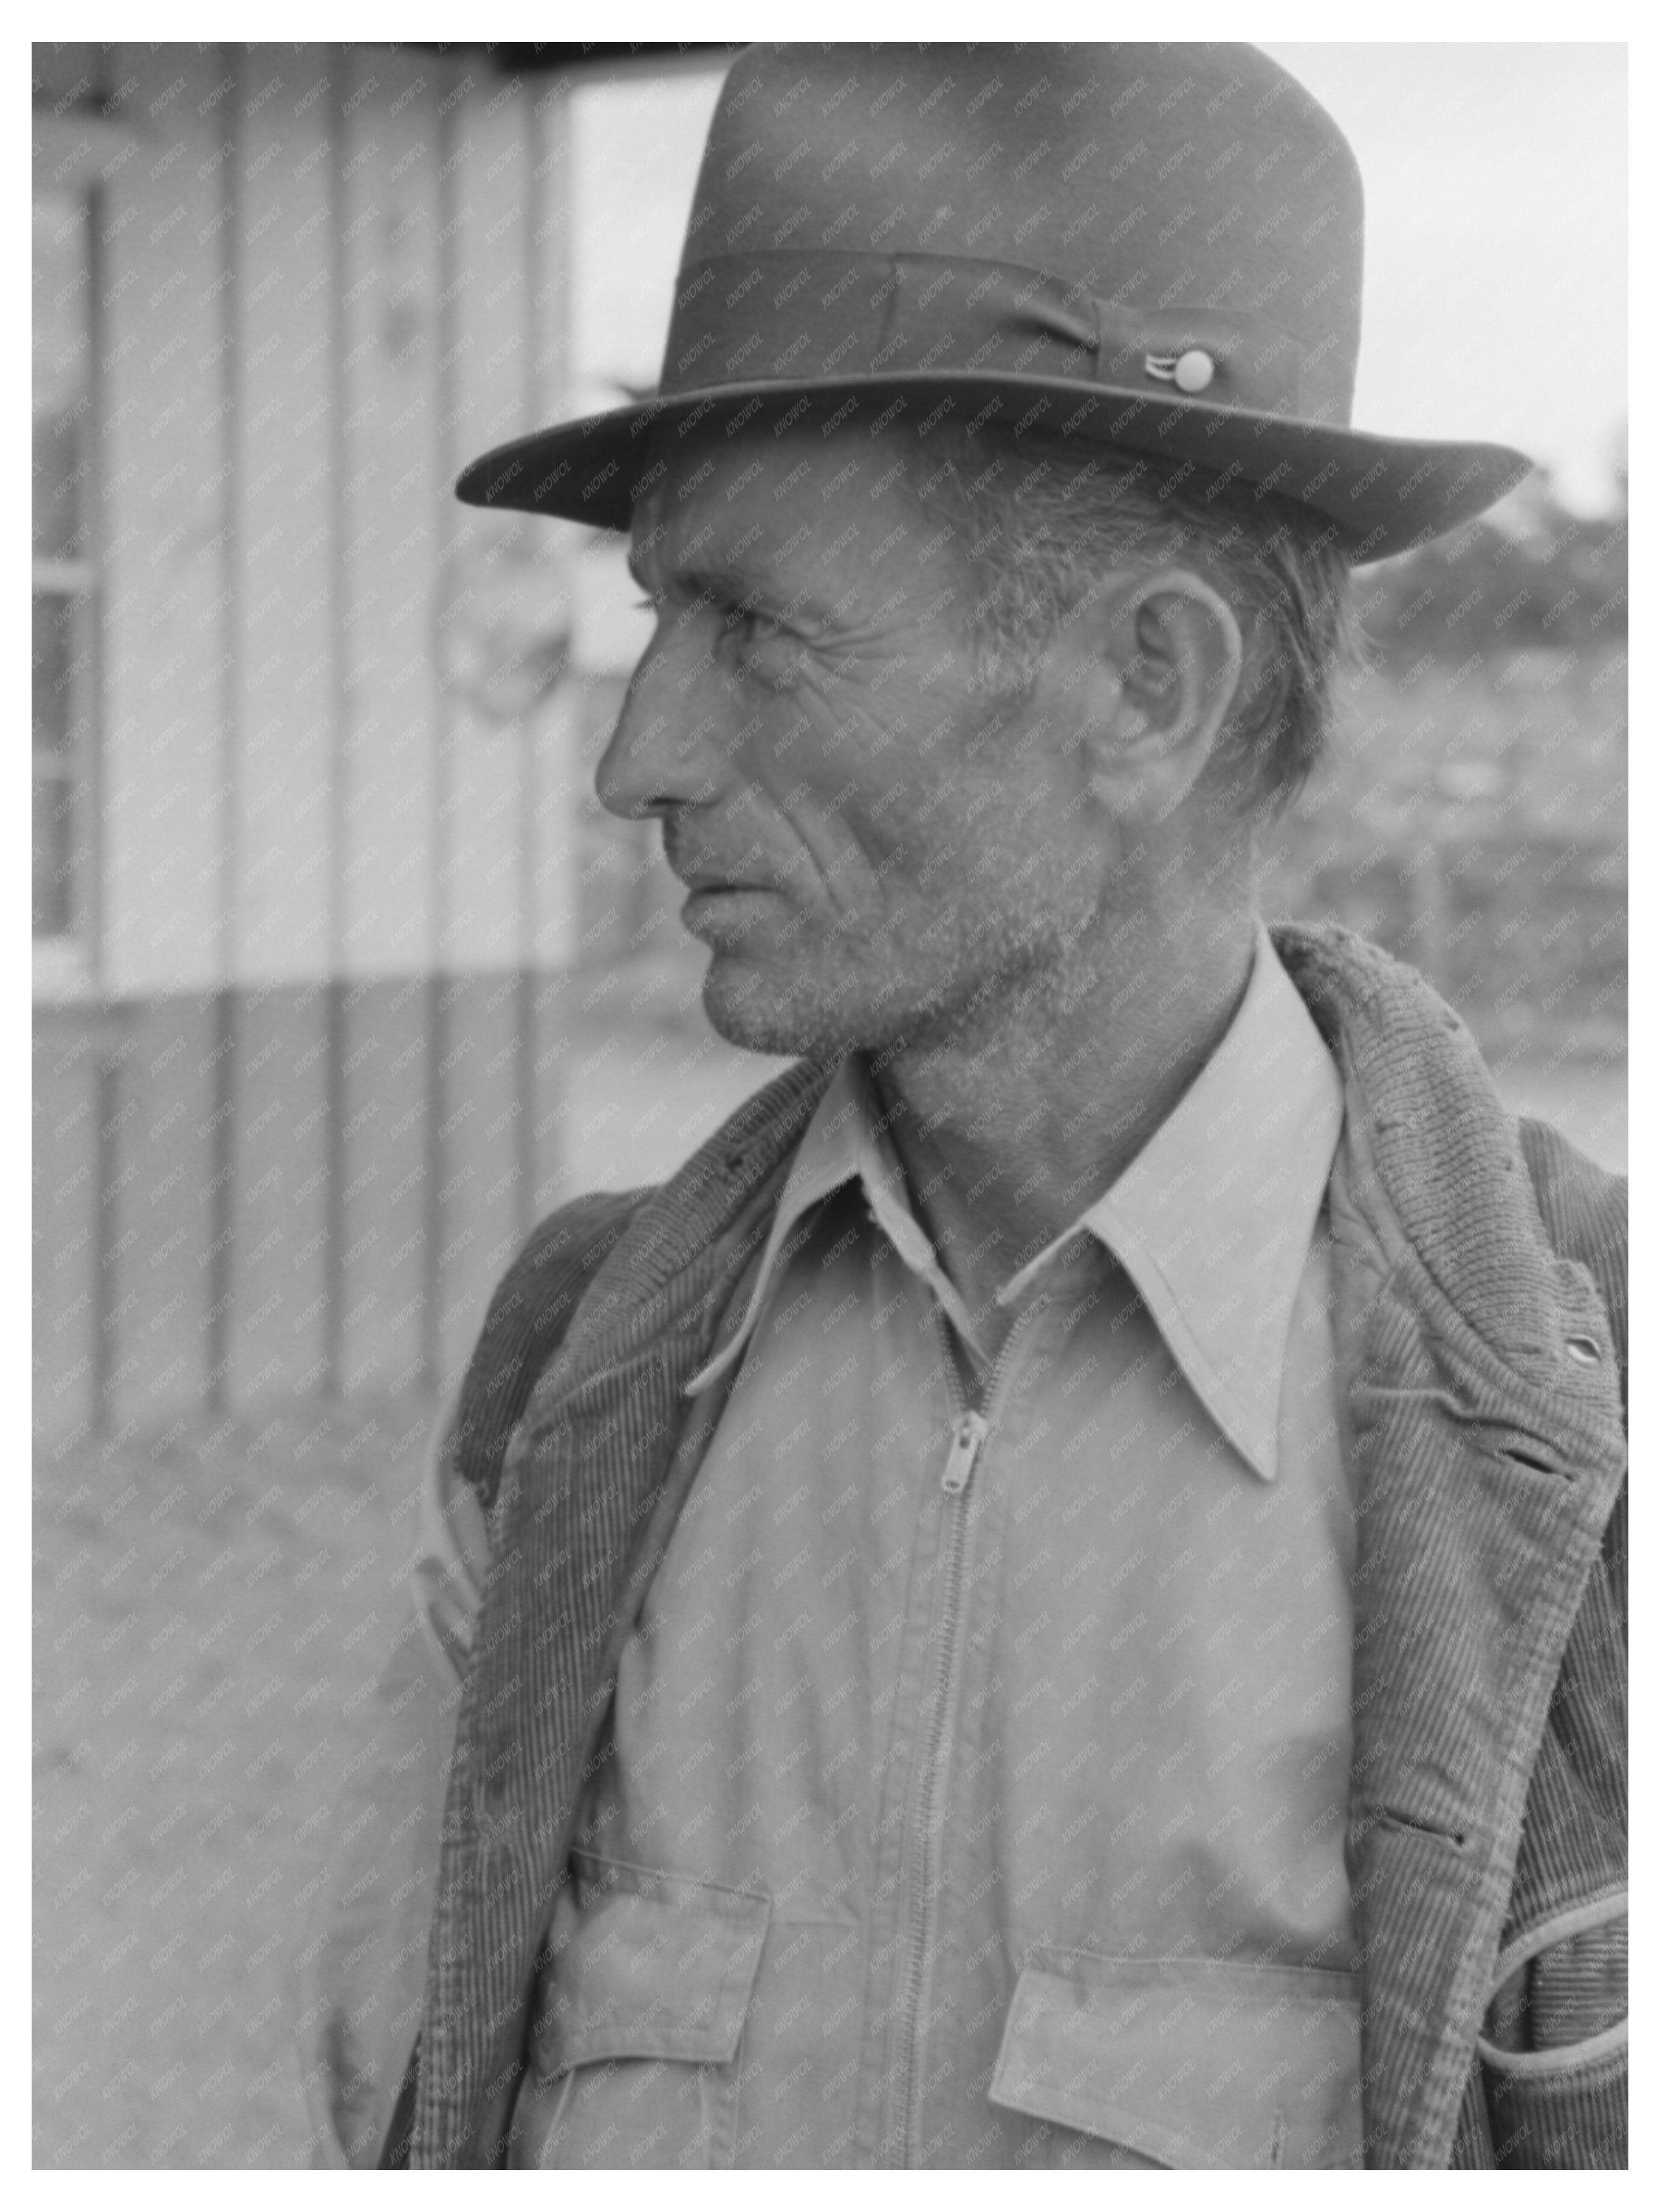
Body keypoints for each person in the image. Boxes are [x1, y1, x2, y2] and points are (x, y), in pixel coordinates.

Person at [297, 42, 1626, 2169]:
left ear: (1145, 690)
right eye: (657, 615)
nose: (636, 752)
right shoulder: (574, 1381)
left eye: (754, 627)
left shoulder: (1582, 1453)